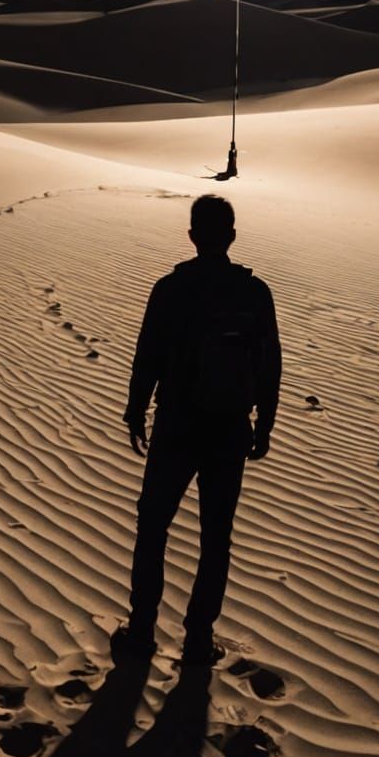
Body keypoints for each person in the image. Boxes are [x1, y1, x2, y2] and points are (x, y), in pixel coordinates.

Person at [112, 194, 280, 666]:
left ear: (192, 235)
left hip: (177, 425)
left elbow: (148, 354)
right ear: (230, 236)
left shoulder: (171, 288)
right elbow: (270, 365)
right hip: (228, 429)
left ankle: (142, 629)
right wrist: (263, 422)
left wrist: (135, 409)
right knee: (215, 536)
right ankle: (199, 638)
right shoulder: (254, 292)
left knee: (153, 526)